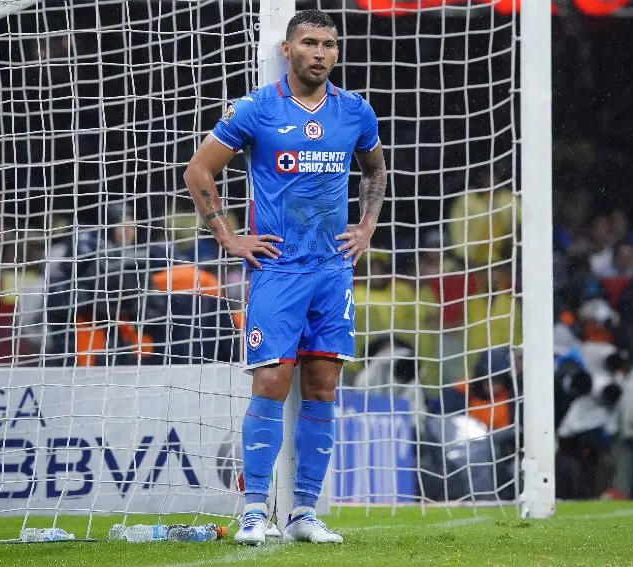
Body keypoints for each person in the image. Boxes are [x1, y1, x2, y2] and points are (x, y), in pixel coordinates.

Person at [183, 9, 386, 545]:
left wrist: (365, 228)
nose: (320, 53)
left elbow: (374, 170)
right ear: (287, 48)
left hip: (332, 271)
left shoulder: (355, 110)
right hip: (277, 269)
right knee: (270, 384)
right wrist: (229, 238)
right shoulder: (257, 108)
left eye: (329, 44)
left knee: (323, 388)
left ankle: (303, 513)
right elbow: (198, 170)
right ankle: (255, 510)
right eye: (310, 43)